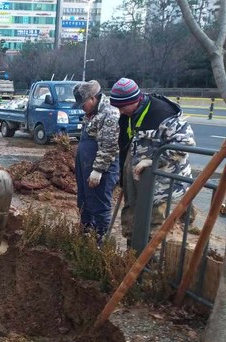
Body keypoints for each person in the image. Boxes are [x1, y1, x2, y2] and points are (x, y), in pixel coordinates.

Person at [109, 78, 194, 245]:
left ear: (135, 100)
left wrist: (154, 161)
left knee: (153, 226)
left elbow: (185, 144)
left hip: (161, 185)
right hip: (137, 182)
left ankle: (149, 265)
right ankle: (131, 256)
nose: (119, 111)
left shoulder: (163, 114)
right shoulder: (128, 114)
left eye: (122, 107)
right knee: (131, 218)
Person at [72, 80, 121, 241]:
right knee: (85, 201)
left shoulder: (109, 113)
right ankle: (85, 237)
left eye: (83, 103)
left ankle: (100, 243)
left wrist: (98, 170)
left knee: (99, 205)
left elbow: (109, 145)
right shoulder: (91, 114)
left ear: (93, 98)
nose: (81, 107)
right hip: (86, 166)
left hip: (101, 169)